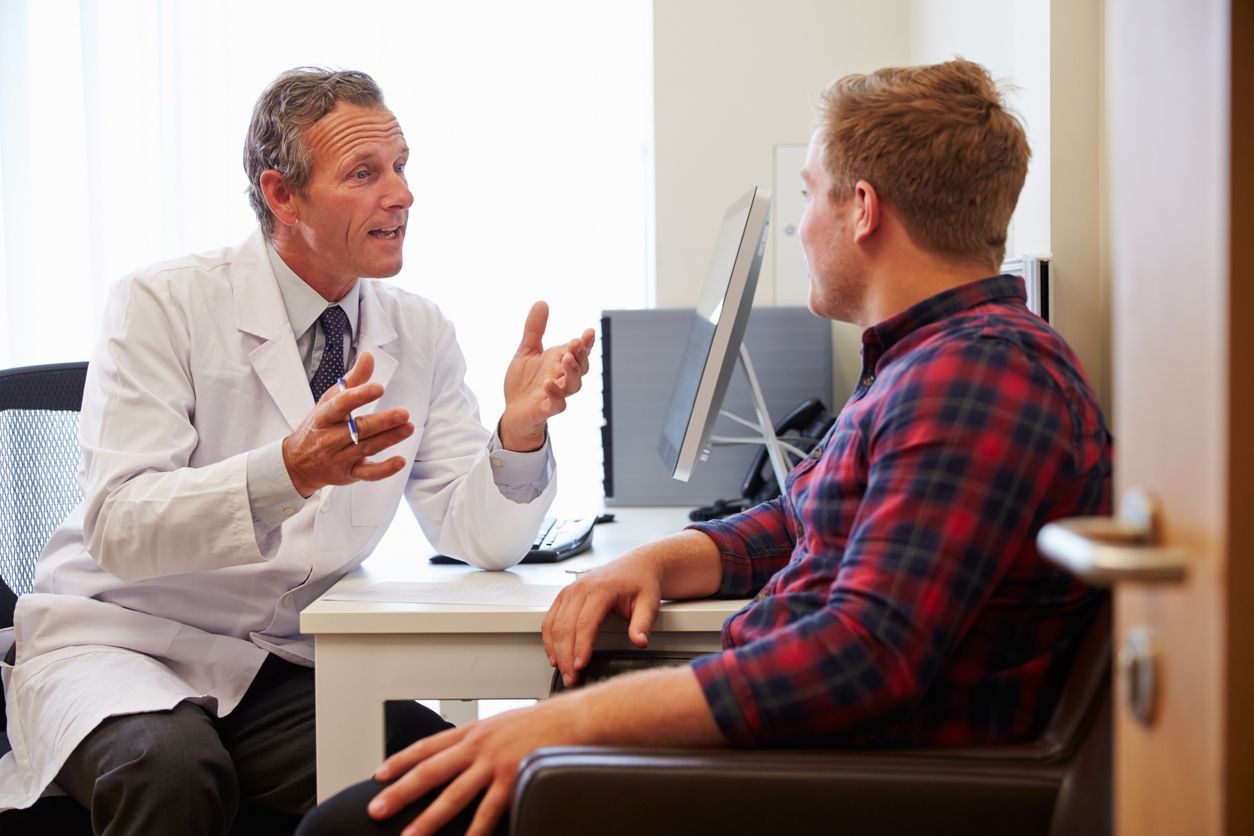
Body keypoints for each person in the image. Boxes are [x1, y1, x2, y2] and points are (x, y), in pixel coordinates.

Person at [298, 58, 1113, 835]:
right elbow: (797, 521)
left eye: (810, 197)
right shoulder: (926, 362)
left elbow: (860, 657)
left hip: (848, 787)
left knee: (349, 827)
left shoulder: (975, 377)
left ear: (863, 209)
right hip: (811, 762)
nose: (802, 227)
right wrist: (656, 562)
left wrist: (554, 728)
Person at [0, 67, 595, 834]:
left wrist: (519, 433)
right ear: (282, 194)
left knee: (452, 781)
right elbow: (119, 524)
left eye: (401, 166)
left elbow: (477, 535)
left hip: (276, 665)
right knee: (172, 772)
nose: (403, 194)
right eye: (364, 173)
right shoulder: (161, 303)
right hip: (119, 643)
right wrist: (287, 472)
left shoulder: (419, 331)